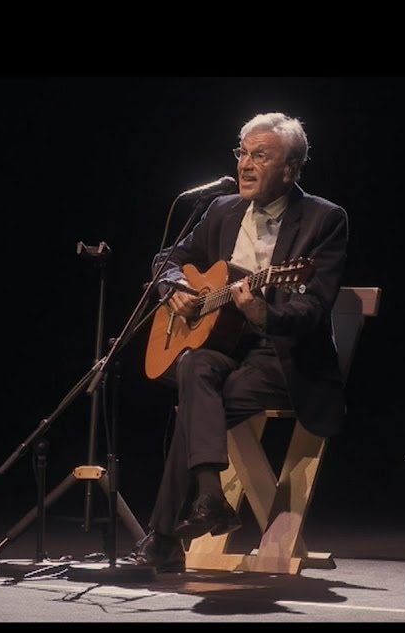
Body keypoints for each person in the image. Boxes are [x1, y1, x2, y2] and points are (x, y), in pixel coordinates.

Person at [126, 112, 349, 572]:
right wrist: (178, 289)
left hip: (286, 361)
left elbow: (311, 310)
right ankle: (206, 502)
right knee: (194, 368)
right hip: (229, 352)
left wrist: (261, 311)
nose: (246, 164)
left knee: (196, 398)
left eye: (260, 156)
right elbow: (168, 258)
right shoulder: (222, 209)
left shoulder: (325, 220)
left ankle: (167, 537)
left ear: (290, 168)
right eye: (242, 153)